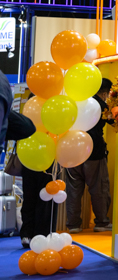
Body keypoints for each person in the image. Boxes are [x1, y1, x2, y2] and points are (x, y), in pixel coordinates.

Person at [66, 78, 113, 233]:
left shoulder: (77, 101)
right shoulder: (101, 105)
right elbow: (115, 121)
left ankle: (73, 225)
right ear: (105, 93)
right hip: (94, 152)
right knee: (99, 188)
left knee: (73, 190)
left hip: (71, 151)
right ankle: (101, 222)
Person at [18, 94, 52, 248]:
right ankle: (39, 234)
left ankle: (28, 234)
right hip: (43, 162)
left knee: (31, 198)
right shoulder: (47, 118)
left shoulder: (26, 120)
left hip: (31, 162)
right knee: (41, 200)